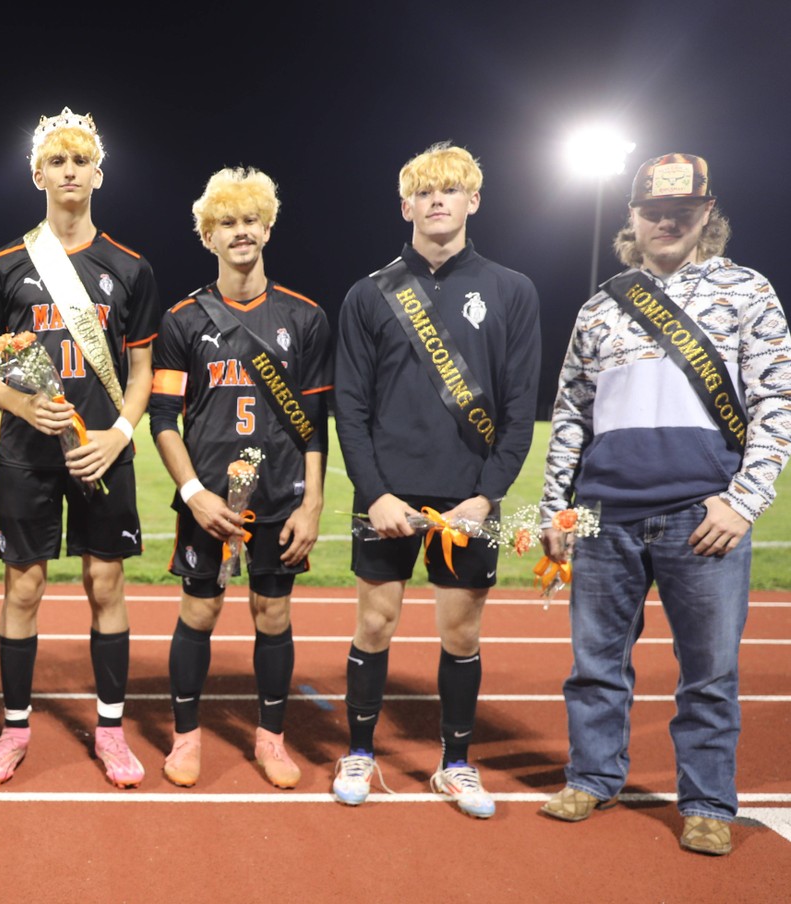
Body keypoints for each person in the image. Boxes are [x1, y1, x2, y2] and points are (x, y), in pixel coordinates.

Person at [538, 154, 791, 855]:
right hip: (601, 514)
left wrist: (742, 502)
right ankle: (591, 776)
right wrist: (557, 508)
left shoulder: (746, 291)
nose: (666, 221)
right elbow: (570, 414)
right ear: (632, 215)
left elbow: (776, 402)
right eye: (652, 210)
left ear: (706, 212)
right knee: (594, 663)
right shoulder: (600, 304)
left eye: (681, 209)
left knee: (707, 674)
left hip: (701, 514)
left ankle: (707, 802)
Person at [331, 143, 540, 817]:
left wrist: (486, 497)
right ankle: (359, 751)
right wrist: (376, 495)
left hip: (468, 500)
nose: (437, 201)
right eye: (424, 193)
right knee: (374, 624)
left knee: (460, 636)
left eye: (450, 191)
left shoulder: (512, 290)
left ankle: (455, 765)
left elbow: (518, 411)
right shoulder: (368, 294)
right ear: (406, 207)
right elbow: (350, 408)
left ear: (472, 201)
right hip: (386, 494)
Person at [0, 107, 161, 788]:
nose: (69, 172)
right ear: (37, 173)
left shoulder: (130, 268)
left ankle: (109, 731)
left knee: (105, 581)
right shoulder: (4, 264)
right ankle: (14, 729)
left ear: (97, 174)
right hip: (25, 451)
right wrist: (19, 403)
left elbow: (140, 376)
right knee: (24, 584)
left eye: (81, 162)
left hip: (101, 452)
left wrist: (116, 435)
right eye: (57, 161)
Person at [148, 167, 331, 788]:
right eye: (226, 223)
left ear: (268, 226)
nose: (241, 232)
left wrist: (311, 505)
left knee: (271, 613)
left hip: (280, 497)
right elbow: (164, 417)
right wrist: (193, 493)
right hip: (208, 503)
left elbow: (314, 422)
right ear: (209, 237)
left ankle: (272, 739)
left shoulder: (304, 317)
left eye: (250, 220)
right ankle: (186, 738)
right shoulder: (181, 320)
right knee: (199, 612)